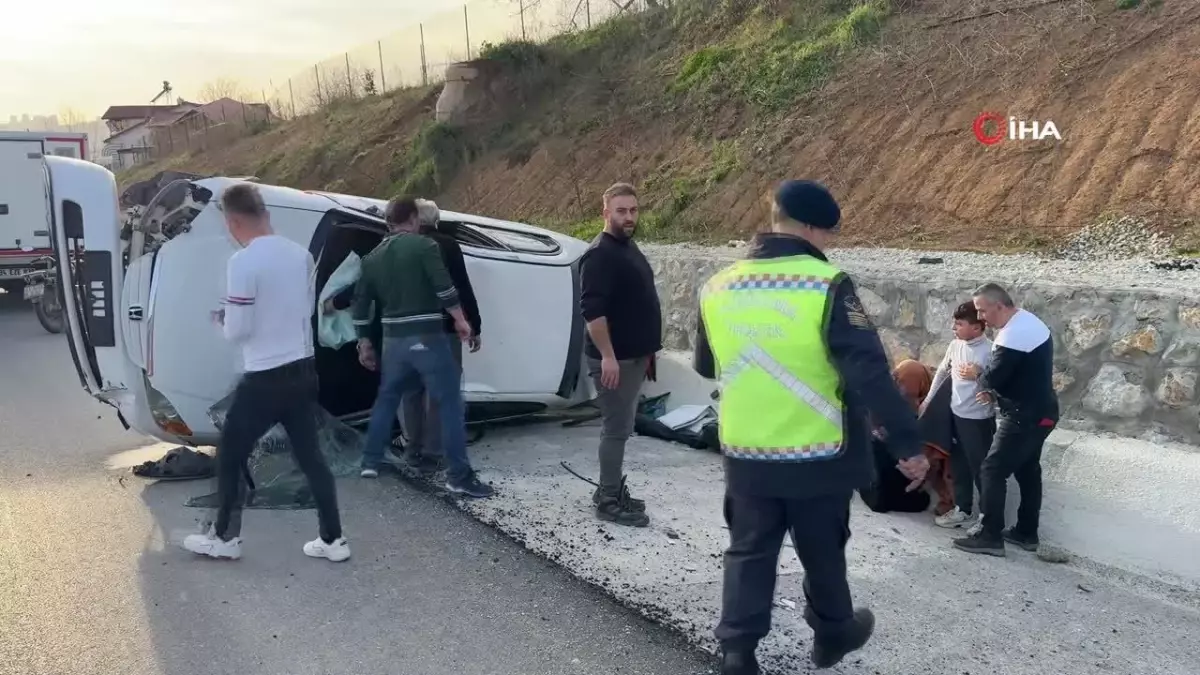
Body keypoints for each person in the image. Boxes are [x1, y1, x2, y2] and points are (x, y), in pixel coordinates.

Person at [693, 180, 930, 673]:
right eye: (826, 234)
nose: (828, 244)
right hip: (817, 452)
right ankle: (834, 632)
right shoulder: (825, 284)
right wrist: (908, 442)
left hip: (746, 452)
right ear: (807, 228)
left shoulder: (717, 286)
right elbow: (867, 371)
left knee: (749, 550)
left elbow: (702, 364)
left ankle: (737, 651)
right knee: (822, 550)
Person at [183, 183, 349, 562]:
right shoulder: (300, 256)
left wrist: (220, 319)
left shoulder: (242, 263)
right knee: (311, 458)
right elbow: (303, 310)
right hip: (304, 371)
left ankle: (224, 538)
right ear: (265, 213)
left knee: (230, 455)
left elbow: (238, 331)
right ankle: (333, 539)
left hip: (265, 377)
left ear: (233, 221)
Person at [352, 196, 494, 499]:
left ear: (388, 222)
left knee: (407, 394)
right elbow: (445, 287)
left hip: (394, 339)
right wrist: (462, 320)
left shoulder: (371, 258)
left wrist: (364, 343)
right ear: (415, 219)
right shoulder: (424, 246)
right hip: (427, 334)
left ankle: (411, 452)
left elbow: (361, 304)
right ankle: (452, 471)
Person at [952, 283, 1058, 557]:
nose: (981, 317)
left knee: (991, 470)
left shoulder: (1011, 335)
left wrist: (978, 375)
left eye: (982, 311)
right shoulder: (1029, 322)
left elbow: (995, 375)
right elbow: (1016, 374)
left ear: (999, 306)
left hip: (1024, 417)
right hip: (1044, 412)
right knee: (1028, 470)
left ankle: (990, 535)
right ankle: (1026, 531)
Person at [579, 183, 662, 527]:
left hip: (634, 356)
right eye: (621, 211)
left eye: (633, 210)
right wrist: (608, 356)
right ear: (605, 213)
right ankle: (609, 498)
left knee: (623, 426)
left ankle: (608, 489)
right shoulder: (600, 253)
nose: (629, 217)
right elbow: (592, 313)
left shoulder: (626, 246)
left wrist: (649, 351)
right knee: (615, 429)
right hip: (614, 361)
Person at [399, 199, 483, 471]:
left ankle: (412, 450)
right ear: (435, 219)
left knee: (411, 391)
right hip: (443, 330)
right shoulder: (447, 245)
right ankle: (434, 453)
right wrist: (475, 325)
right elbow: (461, 286)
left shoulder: (399, 246)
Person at [921, 302, 995, 530]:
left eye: (960, 324)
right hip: (955, 416)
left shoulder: (992, 350)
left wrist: (982, 378)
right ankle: (962, 510)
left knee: (981, 468)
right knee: (959, 465)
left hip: (978, 421)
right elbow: (943, 371)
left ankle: (987, 519)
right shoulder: (955, 345)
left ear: (977, 327)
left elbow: (1001, 383)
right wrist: (928, 400)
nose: (954, 327)